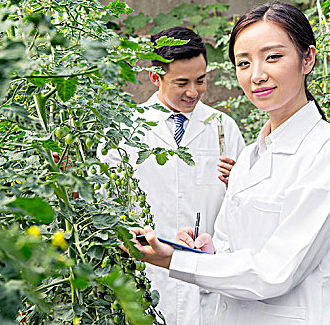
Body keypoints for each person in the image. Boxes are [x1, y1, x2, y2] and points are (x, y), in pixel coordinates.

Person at [126, 2, 330, 325]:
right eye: (244, 63)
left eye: (273, 57)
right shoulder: (250, 159)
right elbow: (234, 247)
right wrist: (205, 251)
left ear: (307, 59)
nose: (257, 75)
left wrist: (175, 260)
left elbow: (275, 271)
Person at [98, 26, 245, 325]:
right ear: (156, 77)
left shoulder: (224, 127)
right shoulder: (124, 130)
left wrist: (238, 185)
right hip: (145, 279)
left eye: (200, 80)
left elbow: (244, 208)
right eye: (182, 82)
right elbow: (103, 207)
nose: (193, 91)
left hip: (207, 281)